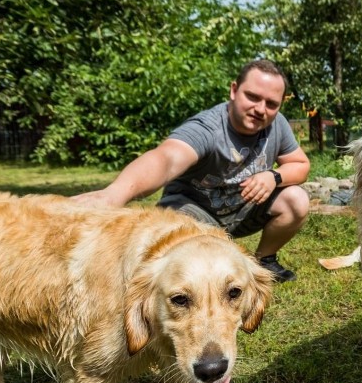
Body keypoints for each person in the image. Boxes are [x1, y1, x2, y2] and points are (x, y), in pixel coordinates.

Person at [73, 58, 310, 283]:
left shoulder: (276, 123)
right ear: (234, 91)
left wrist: (274, 176)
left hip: (243, 210)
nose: (261, 109)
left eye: (271, 104)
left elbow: (301, 164)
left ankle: (264, 260)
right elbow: (166, 159)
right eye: (252, 97)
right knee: (181, 264)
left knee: (296, 199)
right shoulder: (208, 128)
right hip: (194, 215)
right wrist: (114, 194)